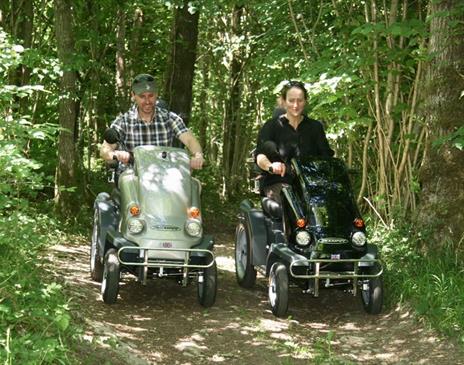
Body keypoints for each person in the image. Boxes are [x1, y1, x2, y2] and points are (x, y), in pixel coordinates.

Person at [100, 73, 204, 169]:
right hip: (133, 178)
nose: (147, 101)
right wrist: (116, 154)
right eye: (142, 97)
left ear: (156, 94)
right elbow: (105, 149)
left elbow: (190, 140)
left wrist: (197, 155)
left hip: (165, 176)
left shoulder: (169, 118)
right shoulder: (124, 122)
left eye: (151, 96)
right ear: (133, 95)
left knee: (194, 186)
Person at [255, 80, 334, 203]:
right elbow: (260, 156)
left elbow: (326, 157)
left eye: (300, 100)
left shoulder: (315, 127)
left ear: (305, 101)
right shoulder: (271, 126)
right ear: (283, 101)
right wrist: (270, 166)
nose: (295, 105)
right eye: (291, 100)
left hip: (311, 184)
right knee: (291, 204)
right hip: (279, 183)